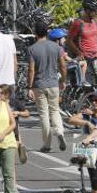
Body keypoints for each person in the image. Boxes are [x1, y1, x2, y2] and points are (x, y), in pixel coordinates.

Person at [28, 23, 68, 152]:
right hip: (53, 84)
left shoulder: (32, 49)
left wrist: (29, 87)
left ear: (35, 33)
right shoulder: (56, 47)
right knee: (55, 110)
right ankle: (60, 131)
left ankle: (47, 144)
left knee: (44, 114)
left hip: (39, 85)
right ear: (47, 33)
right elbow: (63, 65)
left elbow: (31, 69)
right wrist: (63, 79)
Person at [68, 91, 97, 193]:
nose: (94, 102)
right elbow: (71, 120)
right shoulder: (87, 114)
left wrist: (95, 115)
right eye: (92, 100)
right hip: (91, 151)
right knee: (95, 182)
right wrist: (86, 123)